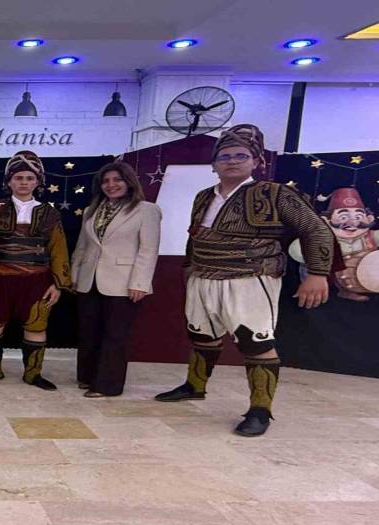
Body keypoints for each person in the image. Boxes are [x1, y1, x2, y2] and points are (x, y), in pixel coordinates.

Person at [154, 124, 335, 437]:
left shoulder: (276, 194)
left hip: (251, 278)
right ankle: (195, 386)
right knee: (202, 335)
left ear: (256, 161)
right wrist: (189, 268)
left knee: (256, 343)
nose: (232, 161)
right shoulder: (203, 196)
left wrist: (318, 273)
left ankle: (260, 410)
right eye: (224, 156)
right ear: (214, 164)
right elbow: (195, 236)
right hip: (203, 276)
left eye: (241, 156)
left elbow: (316, 229)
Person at [0, 150, 72, 390]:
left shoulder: (50, 213)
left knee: (36, 326)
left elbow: (59, 249)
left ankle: (33, 375)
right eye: (18, 178)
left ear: (38, 182)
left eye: (29, 178)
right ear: (9, 181)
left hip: (37, 281)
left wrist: (58, 284)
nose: (24, 183)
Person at [71, 162, 161, 397]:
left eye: (117, 180)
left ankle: (107, 386)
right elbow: (82, 246)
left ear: (129, 181)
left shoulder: (146, 210)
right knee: (89, 332)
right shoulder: (91, 210)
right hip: (88, 279)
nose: (111, 185)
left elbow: (148, 249)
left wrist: (140, 283)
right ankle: (88, 376)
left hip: (124, 282)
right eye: (106, 181)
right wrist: (74, 275)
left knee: (115, 334)